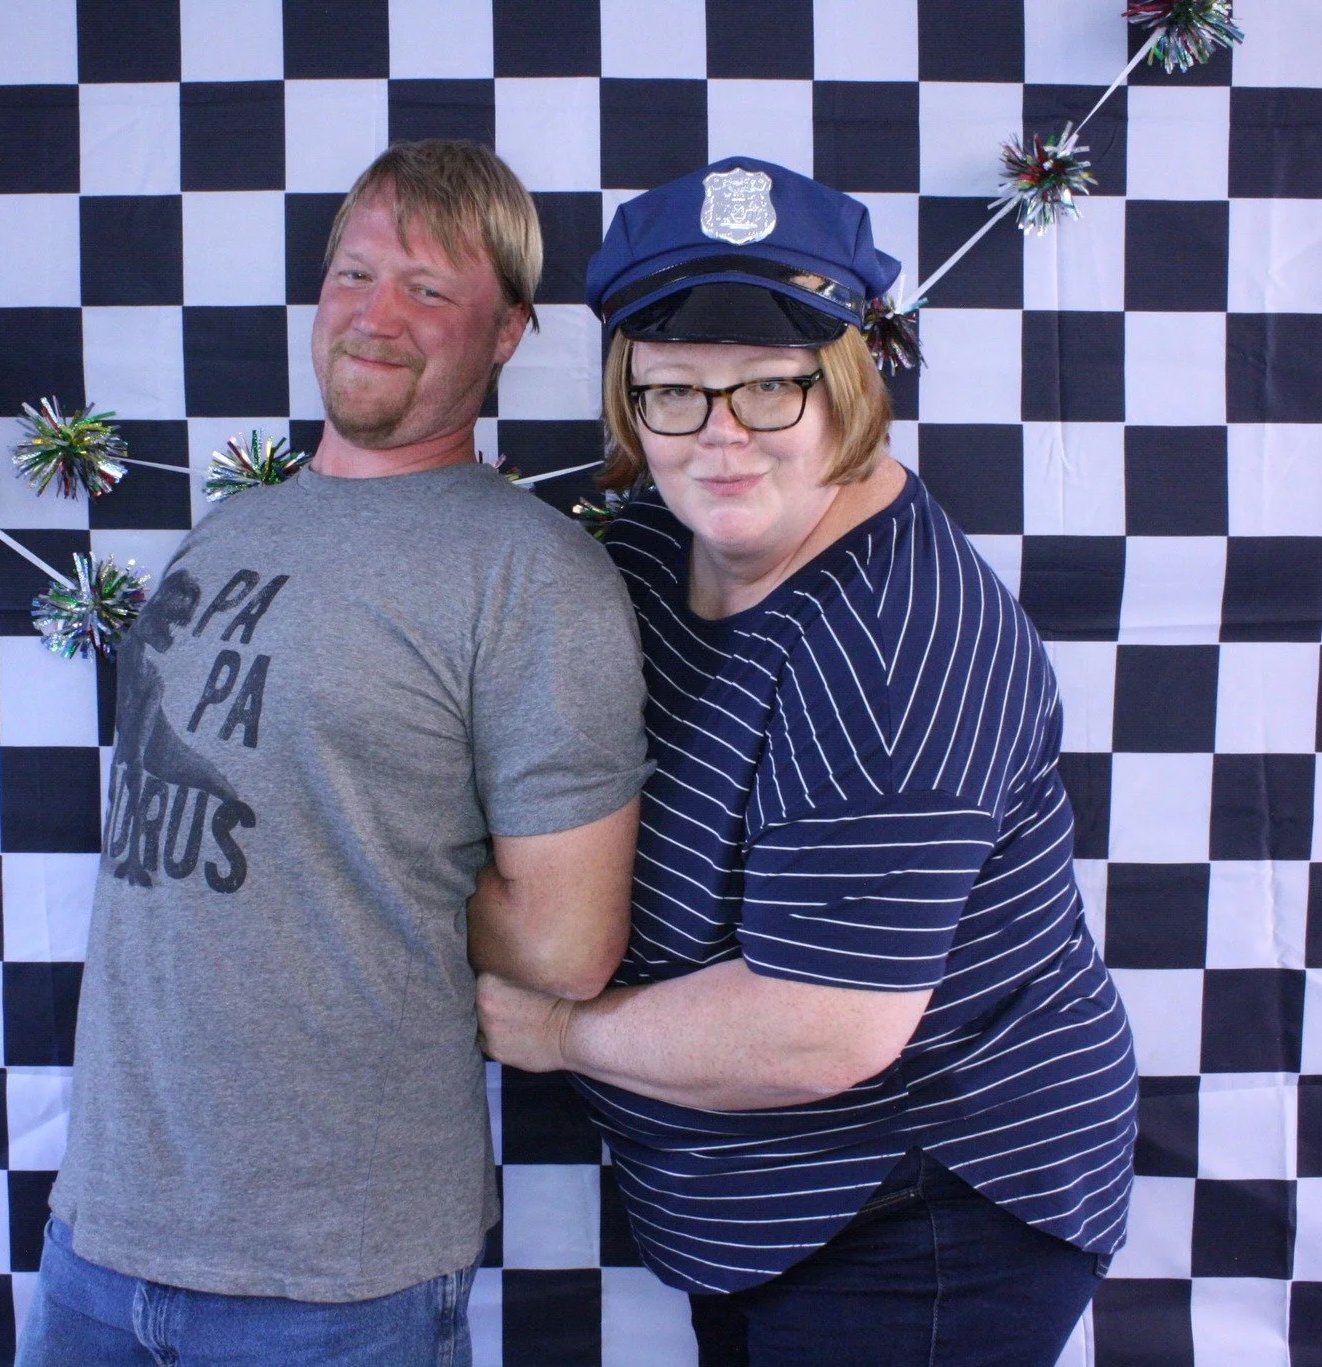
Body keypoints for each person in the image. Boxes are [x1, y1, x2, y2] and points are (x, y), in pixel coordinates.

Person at [475, 157, 1139, 1367]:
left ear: (848, 383)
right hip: (757, 1203)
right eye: (674, 392)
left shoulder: (899, 640)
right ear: (629, 399)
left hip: (926, 1212)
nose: (720, 440)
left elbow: (819, 1029)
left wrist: (555, 1032)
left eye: (769, 388)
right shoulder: (634, 555)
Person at [18, 140, 651, 1366]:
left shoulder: (532, 576)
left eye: (428, 288)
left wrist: (376, 855)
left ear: (508, 331)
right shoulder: (228, 530)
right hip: (100, 1233)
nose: (374, 315)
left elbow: (571, 944)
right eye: (355, 273)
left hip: (336, 1278)